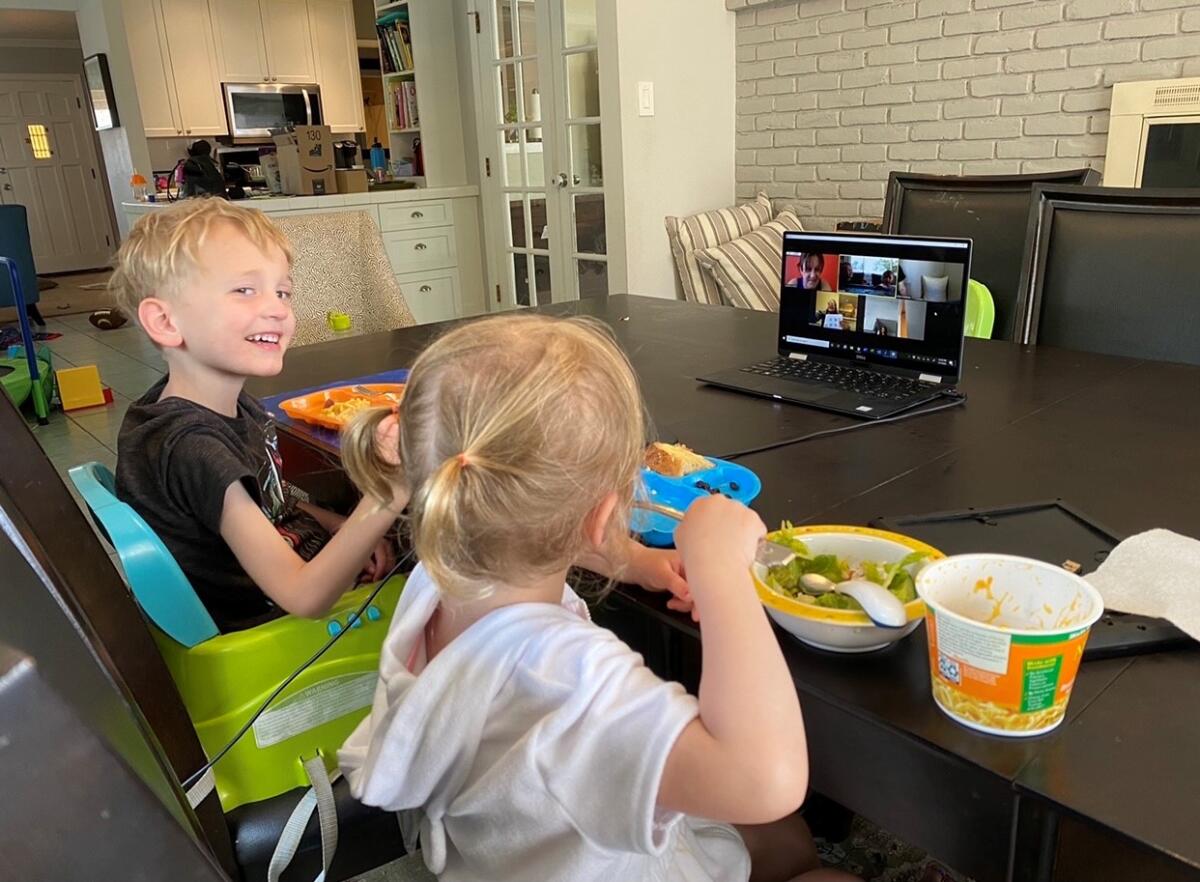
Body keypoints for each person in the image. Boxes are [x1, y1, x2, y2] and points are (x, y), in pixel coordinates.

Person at [339, 314, 859, 882]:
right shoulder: (570, 676)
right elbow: (766, 782)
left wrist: (634, 561)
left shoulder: (436, 581)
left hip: (510, 853)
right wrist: (723, 573)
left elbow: (522, 532)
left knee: (780, 840)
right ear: (606, 517)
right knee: (808, 858)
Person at [108, 199, 690, 634]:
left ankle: (631, 562)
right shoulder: (191, 447)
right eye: (244, 291)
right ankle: (625, 572)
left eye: (283, 292)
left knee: (467, 495)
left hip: (293, 591)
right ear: (164, 322)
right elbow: (304, 595)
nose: (277, 310)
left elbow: (272, 501)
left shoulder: (191, 408)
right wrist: (384, 497)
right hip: (276, 643)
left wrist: (348, 531)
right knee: (484, 509)